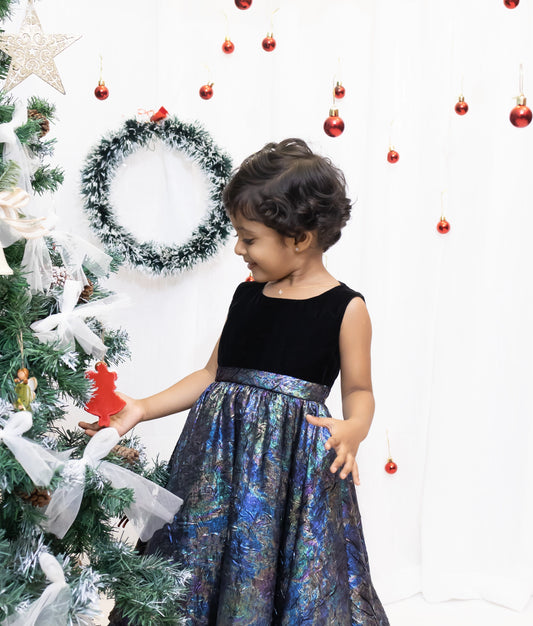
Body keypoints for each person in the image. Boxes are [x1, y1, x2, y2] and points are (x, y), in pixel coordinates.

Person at [80, 138, 389, 625]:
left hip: (292, 471)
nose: (238, 248)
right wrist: (141, 407)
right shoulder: (248, 296)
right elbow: (211, 375)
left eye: (249, 238)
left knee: (284, 573)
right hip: (215, 464)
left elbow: (359, 390)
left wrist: (356, 427)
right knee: (195, 563)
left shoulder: (346, 308)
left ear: (299, 237)